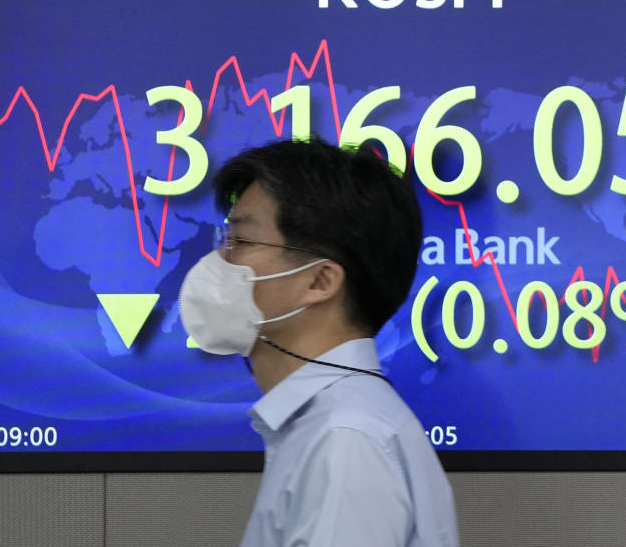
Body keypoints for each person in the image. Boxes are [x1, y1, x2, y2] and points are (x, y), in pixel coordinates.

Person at [179, 139, 459, 547]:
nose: (218, 261)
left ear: (320, 281)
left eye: (240, 242)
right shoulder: (332, 428)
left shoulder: (345, 443)